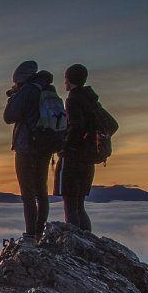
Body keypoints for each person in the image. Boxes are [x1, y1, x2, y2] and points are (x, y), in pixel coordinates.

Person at [56, 63, 116, 232]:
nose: (65, 82)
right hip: (89, 159)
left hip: (74, 157)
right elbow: (112, 124)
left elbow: (77, 126)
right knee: (79, 206)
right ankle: (87, 242)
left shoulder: (73, 99)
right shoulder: (92, 100)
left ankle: (75, 244)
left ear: (69, 79)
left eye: (66, 78)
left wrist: (65, 146)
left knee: (70, 206)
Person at [3, 60, 56, 241]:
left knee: (27, 193)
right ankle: (40, 232)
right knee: (41, 190)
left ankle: (31, 235)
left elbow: (8, 117)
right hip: (46, 147)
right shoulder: (49, 90)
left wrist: (14, 97)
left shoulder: (27, 91)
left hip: (26, 147)